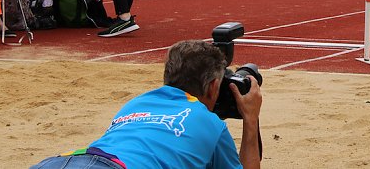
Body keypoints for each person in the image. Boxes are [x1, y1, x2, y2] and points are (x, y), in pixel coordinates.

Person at [30, 39, 262, 169]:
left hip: (59, 162)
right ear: (213, 86)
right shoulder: (211, 122)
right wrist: (250, 119)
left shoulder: (135, 103)